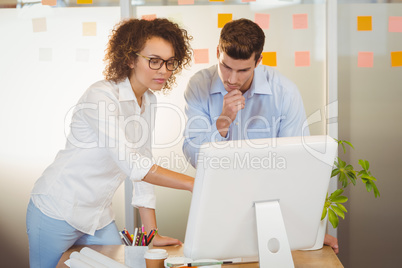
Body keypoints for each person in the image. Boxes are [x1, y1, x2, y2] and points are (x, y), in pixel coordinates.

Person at [26, 18, 194, 267]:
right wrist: (194, 183)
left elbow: (143, 164)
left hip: (97, 217)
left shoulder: (149, 101)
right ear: (130, 58)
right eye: (154, 60)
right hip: (57, 210)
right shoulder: (101, 96)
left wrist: (152, 233)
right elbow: (133, 165)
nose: (164, 70)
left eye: (170, 62)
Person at [182, 18, 339, 253]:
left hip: (271, 205)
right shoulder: (198, 86)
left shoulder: (284, 92)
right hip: (217, 202)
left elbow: (297, 164)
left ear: (258, 61)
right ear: (218, 52)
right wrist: (223, 122)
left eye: (243, 70)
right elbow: (194, 155)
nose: (232, 79)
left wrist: (307, 228)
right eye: (226, 66)